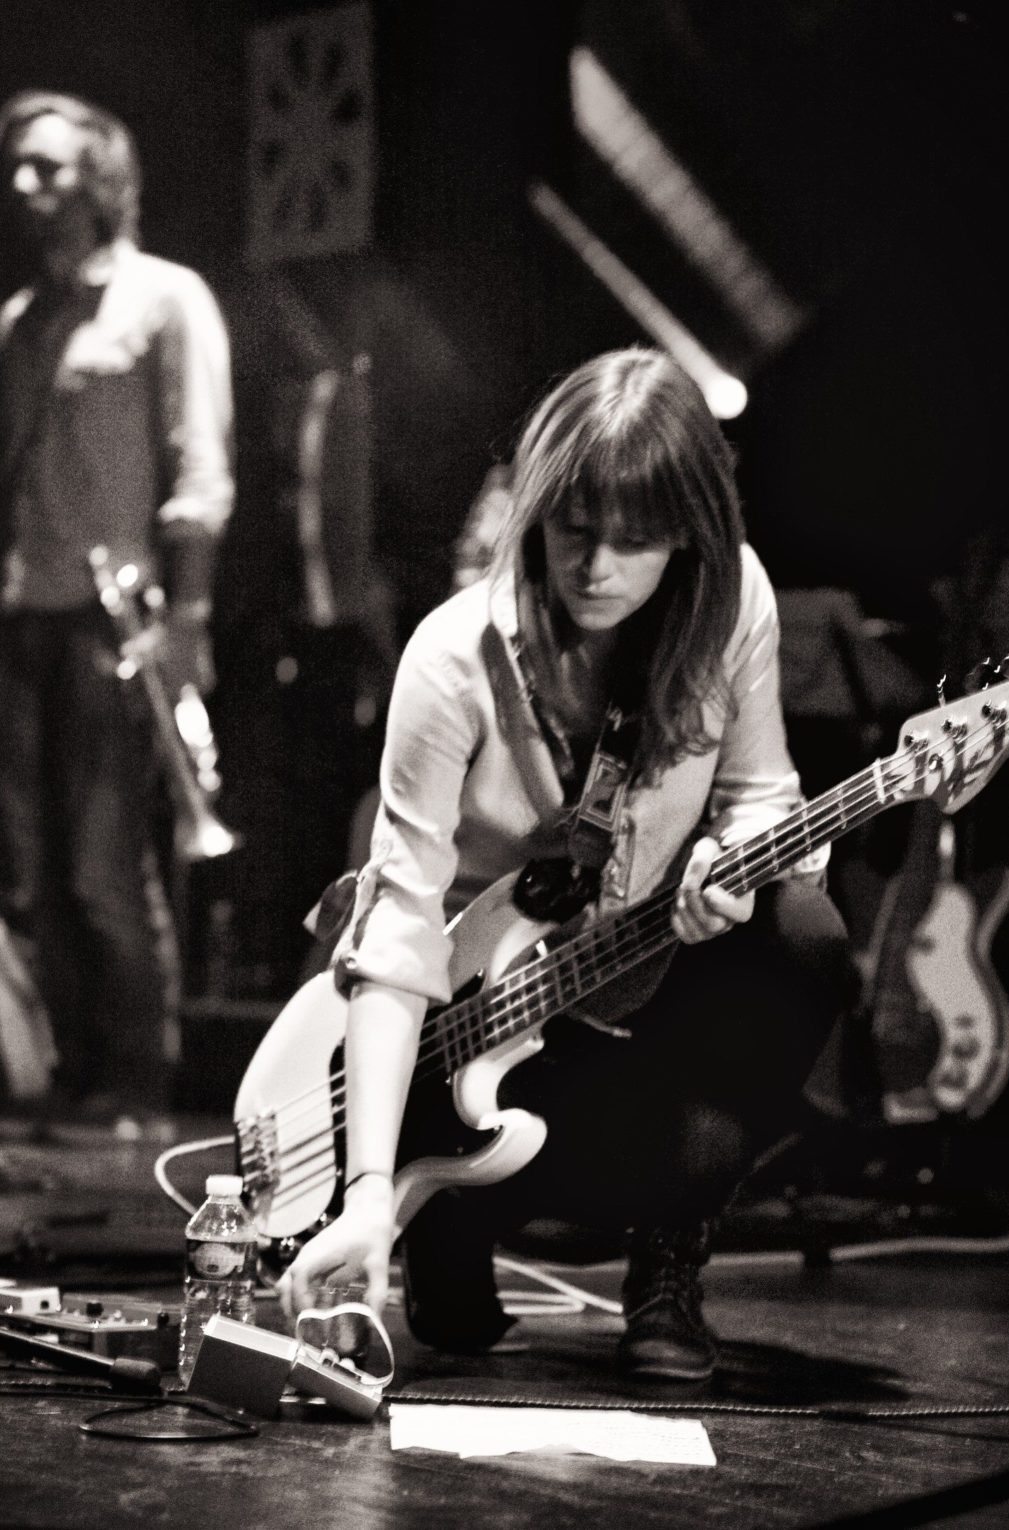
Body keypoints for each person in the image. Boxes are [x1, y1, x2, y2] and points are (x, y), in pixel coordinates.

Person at [277, 347, 855, 1380]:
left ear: (689, 532)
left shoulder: (734, 602)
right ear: (534, 507)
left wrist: (728, 862)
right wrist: (366, 1195)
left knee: (804, 936)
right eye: (575, 529)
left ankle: (667, 1262)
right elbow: (400, 927)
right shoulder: (451, 656)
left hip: (625, 983)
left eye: (637, 541)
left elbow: (765, 794)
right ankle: (441, 1200)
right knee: (456, 1329)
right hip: (456, 1028)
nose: (596, 568)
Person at [0, 92, 233, 1133]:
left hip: (115, 618)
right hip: (23, 616)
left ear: (100, 178)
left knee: (104, 865)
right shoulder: (19, 323)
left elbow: (201, 463)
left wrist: (188, 616)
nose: (25, 187)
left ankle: (138, 1080)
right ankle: (72, 1076)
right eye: (17, 168)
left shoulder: (166, 298)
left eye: (48, 168)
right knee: (34, 869)